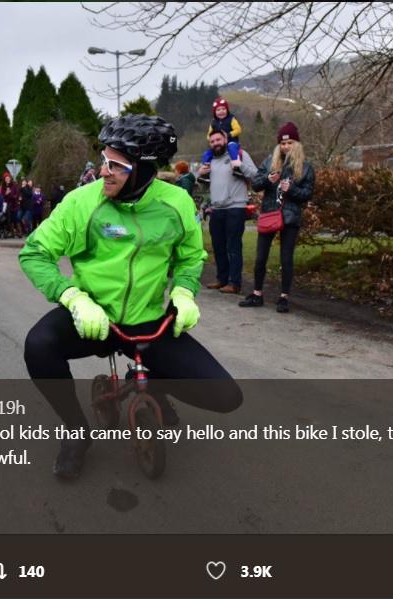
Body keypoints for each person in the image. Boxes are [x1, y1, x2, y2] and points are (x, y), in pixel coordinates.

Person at [19, 114, 243, 480]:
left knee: (226, 397)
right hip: (93, 318)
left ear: (143, 169)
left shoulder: (176, 203)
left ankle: (150, 379)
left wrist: (185, 292)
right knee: (38, 345)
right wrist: (73, 298)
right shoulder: (81, 203)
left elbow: (189, 257)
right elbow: (34, 254)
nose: (104, 171)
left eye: (117, 165)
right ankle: (76, 432)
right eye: (103, 160)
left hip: (149, 322)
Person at [239, 122, 315, 313]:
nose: (285, 147)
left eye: (289, 143)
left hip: (290, 217)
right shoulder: (268, 162)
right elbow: (255, 184)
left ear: (296, 144)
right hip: (269, 214)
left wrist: (292, 189)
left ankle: (283, 297)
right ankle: (257, 294)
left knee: (286, 259)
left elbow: (307, 194)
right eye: (282, 143)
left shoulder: (305, 168)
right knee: (260, 258)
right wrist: (267, 179)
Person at [197, 129, 258, 294]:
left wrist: (239, 165)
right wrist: (199, 174)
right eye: (212, 141)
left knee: (233, 246)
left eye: (218, 139)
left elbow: (256, 174)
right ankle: (221, 279)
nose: (216, 143)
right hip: (216, 209)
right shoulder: (210, 161)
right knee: (218, 246)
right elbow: (203, 186)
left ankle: (234, 282)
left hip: (235, 207)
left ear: (225, 139)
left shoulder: (239, 154)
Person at [202, 97, 243, 170]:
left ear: (227, 110)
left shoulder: (231, 119)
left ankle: (236, 166)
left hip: (232, 142)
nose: (221, 111)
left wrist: (228, 135)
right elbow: (209, 135)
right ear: (215, 112)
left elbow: (238, 129)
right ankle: (206, 170)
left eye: (223, 109)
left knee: (232, 147)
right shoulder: (213, 122)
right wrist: (212, 139)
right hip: (219, 144)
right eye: (218, 110)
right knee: (206, 154)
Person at [0, 172, 20, 238]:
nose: (7, 179)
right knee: (9, 220)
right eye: (6, 178)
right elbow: (2, 197)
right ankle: (12, 232)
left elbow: (17, 195)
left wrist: (11, 195)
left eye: (8, 178)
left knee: (15, 219)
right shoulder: (3, 186)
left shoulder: (14, 185)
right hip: (7, 206)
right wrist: (6, 193)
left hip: (14, 205)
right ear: (4, 179)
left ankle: (18, 232)